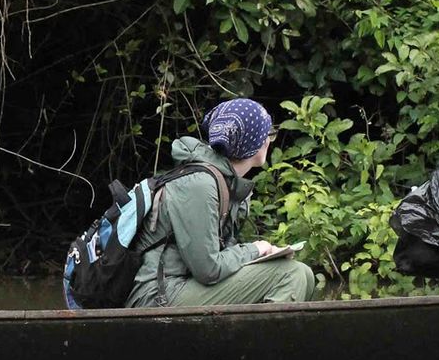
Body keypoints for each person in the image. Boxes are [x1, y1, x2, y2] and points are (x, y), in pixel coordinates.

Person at [126, 98, 316, 307]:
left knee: (305, 274)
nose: (269, 141)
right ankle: (260, 340)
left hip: (184, 287)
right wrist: (256, 249)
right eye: (268, 134)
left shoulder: (226, 183)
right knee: (290, 274)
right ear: (253, 143)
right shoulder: (199, 185)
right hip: (157, 295)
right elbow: (208, 269)